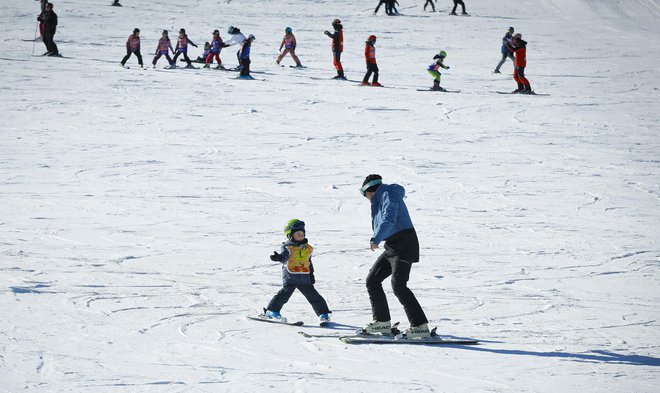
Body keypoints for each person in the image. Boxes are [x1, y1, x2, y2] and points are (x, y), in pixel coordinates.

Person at [359, 175, 430, 338]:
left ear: (369, 190)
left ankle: (420, 326)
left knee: (399, 285)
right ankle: (382, 322)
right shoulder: (382, 195)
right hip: (392, 245)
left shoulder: (387, 194)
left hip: (405, 243)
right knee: (373, 280)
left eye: (364, 194)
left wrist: (375, 238)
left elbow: (389, 218)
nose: (366, 198)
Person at [263, 219, 332, 323]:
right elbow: (284, 257)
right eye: (297, 234)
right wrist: (278, 257)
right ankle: (271, 311)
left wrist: (311, 275)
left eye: (302, 233)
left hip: (304, 277)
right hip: (291, 277)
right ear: (290, 235)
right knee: (283, 296)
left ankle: (324, 314)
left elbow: (308, 262)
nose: (301, 235)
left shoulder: (308, 248)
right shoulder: (288, 247)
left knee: (314, 296)